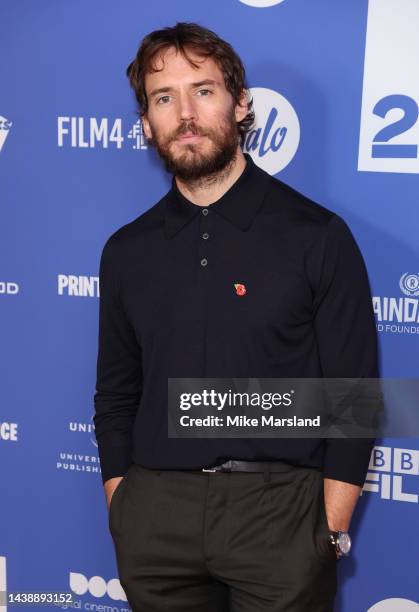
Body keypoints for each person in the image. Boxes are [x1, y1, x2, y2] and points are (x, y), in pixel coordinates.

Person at [93, 21, 379, 612]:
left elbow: (354, 398)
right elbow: (117, 393)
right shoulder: (126, 250)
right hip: (155, 520)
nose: (186, 113)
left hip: (281, 515)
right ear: (146, 123)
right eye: (163, 97)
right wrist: (124, 502)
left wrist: (325, 531)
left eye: (203, 90)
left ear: (241, 104)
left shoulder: (318, 236)